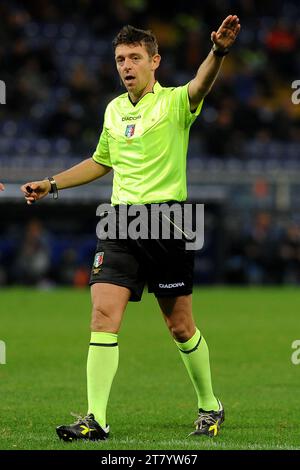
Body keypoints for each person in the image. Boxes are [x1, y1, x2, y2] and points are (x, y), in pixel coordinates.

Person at [21, 15, 240, 441]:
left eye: (135, 58)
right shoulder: (113, 110)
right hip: (119, 222)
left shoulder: (176, 102)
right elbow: (101, 161)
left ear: (154, 61)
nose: (126, 66)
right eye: (120, 58)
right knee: (103, 316)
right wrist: (51, 183)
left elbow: (201, 84)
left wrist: (218, 51)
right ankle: (96, 419)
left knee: (180, 326)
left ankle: (210, 406)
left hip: (168, 223)